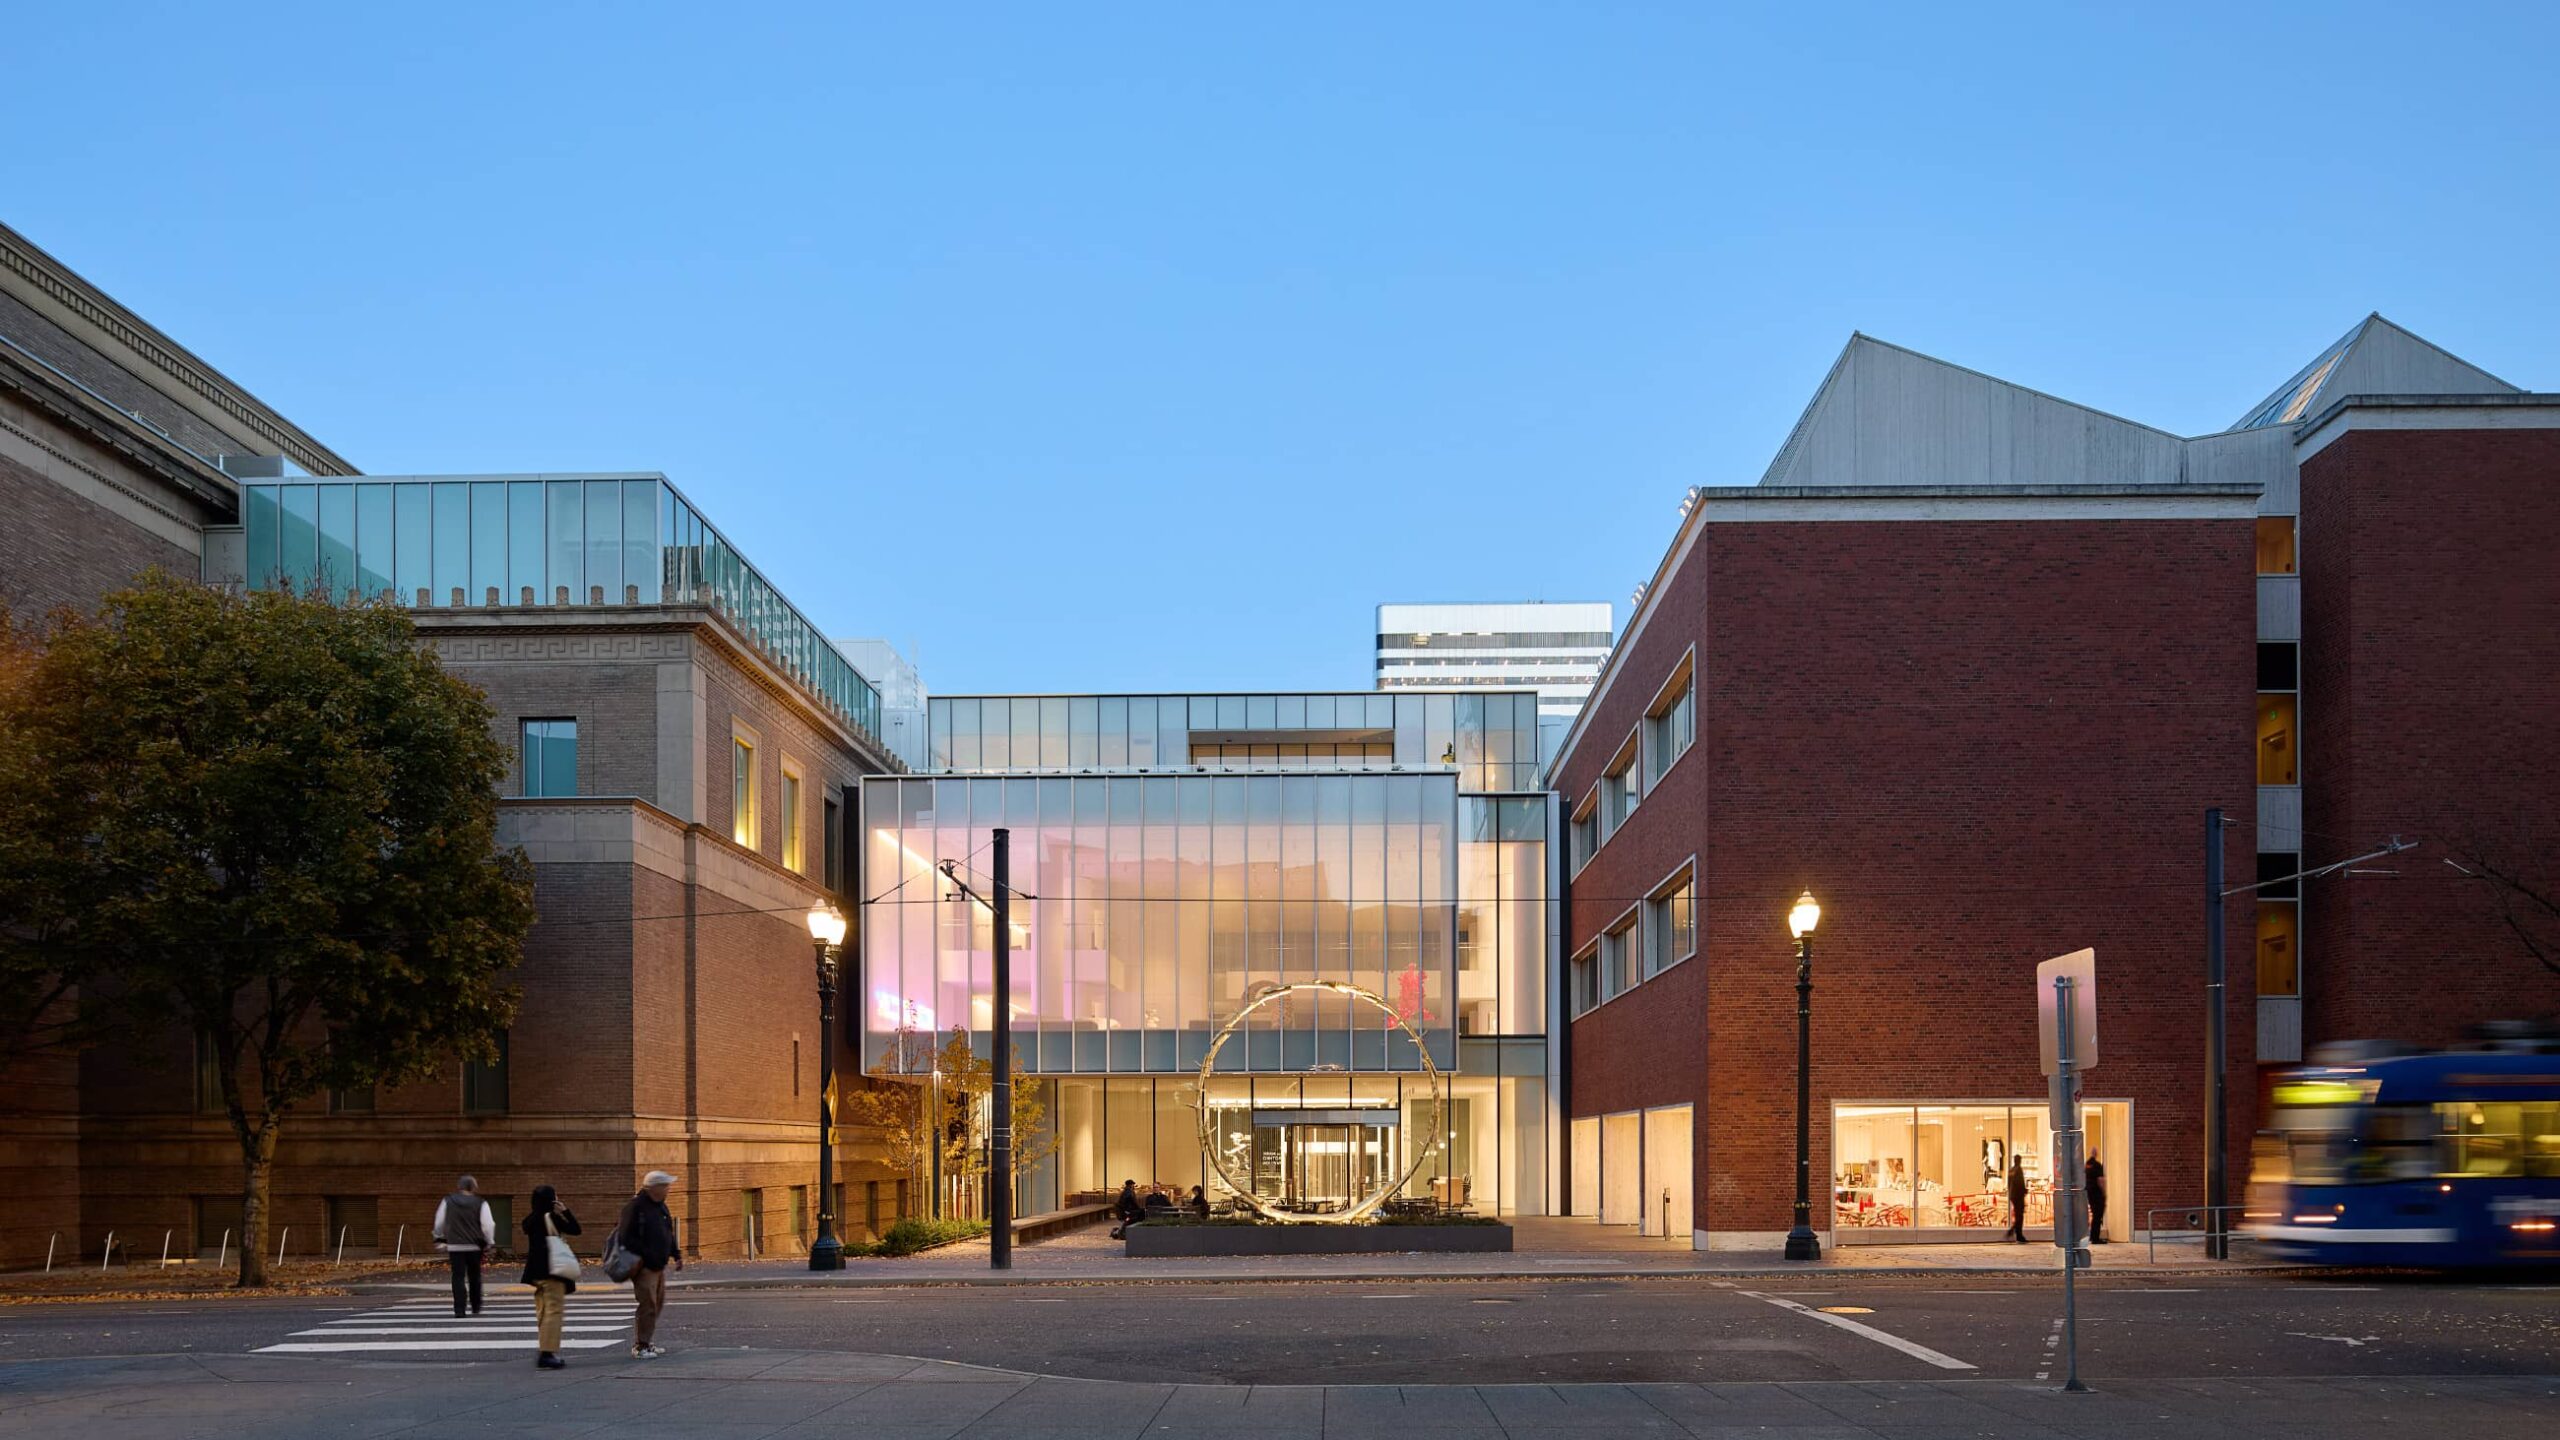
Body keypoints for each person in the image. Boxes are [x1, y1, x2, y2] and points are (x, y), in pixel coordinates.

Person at [614, 1171, 683, 1360]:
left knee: (656, 1304)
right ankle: (640, 1345)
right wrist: (646, 1255)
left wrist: (676, 1254)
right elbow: (625, 1237)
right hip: (644, 1266)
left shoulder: (661, 1207)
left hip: (658, 1265)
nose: (668, 1189)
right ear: (654, 1187)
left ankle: (647, 1341)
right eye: (665, 1186)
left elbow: (668, 1232)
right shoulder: (636, 1207)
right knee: (647, 1304)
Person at [520, 1185, 581, 1370]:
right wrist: (565, 1211)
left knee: (543, 1310)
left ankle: (545, 1348)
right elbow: (576, 1229)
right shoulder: (551, 1217)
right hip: (552, 1270)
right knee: (554, 1311)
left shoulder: (530, 1219)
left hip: (535, 1272)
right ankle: (547, 1352)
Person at [432, 1175, 495, 1317]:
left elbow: (439, 1222)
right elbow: (488, 1225)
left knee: (458, 1276)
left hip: (455, 1245)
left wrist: (439, 1237)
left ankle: (459, 1308)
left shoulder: (448, 1201)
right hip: (474, 1245)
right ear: (474, 1187)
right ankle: (476, 1305)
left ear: (459, 1186)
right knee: (475, 1276)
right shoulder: (481, 1203)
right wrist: (489, 1241)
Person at [2084, 1153, 2108, 1243]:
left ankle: (2093, 1236)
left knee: (2095, 1215)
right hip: (2096, 1194)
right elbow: (2100, 1180)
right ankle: (2095, 1238)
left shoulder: (2086, 1165)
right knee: (2098, 1215)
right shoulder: (2097, 1165)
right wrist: (2104, 1192)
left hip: (2089, 1193)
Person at [2004, 1157, 2030, 1243]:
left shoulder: (2011, 1170)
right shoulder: (2018, 1169)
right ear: (2019, 1161)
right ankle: (2016, 1233)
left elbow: (2009, 1184)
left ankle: (2017, 1233)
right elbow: (2020, 1183)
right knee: (2020, 1216)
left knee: (2018, 1215)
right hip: (2018, 1196)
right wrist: (2024, 1191)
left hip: (2012, 1195)